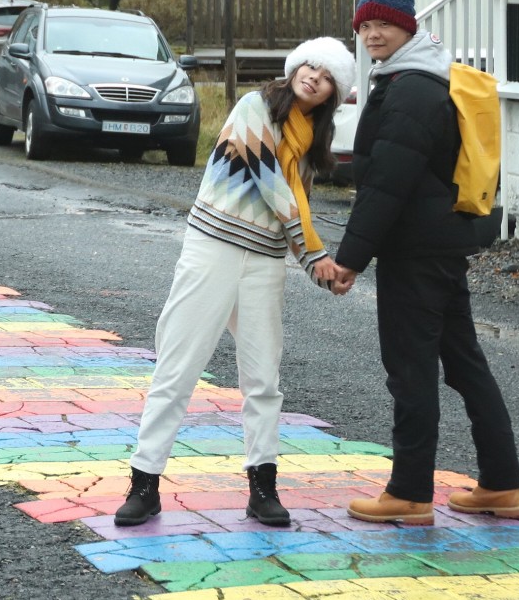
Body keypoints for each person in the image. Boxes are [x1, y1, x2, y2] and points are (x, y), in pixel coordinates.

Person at [314, 0, 519, 526]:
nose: (373, 34)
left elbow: (386, 184)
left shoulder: (411, 89)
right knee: (463, 363)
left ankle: (410, 493)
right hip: (440, 245)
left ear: (408, 26)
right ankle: (503, 485)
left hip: (416, 251)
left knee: (410, 368)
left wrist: (350, 260)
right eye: (364, 26)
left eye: (384, 23)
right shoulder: (421, 75)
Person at [115, 37, 356, 528]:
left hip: (264, 262)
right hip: (213, 249)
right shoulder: (253, 108)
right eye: (311, 64)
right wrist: (317, 258)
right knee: (177, 366)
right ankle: (144, 483)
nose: (314, 76)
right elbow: (273, 185)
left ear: (332, 95)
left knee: (264, 378)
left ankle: (262, 488)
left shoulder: (308, 142)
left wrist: (316, 269)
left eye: (327, 76)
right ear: (296, 65)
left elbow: (298, 208)